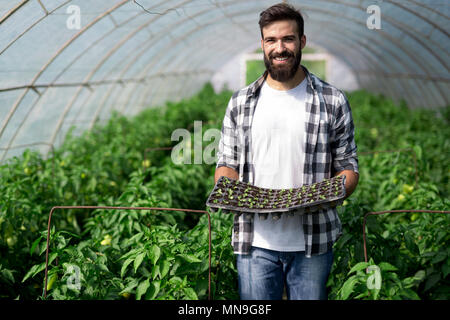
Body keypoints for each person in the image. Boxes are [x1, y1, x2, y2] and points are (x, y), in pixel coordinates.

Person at [214, 3, 359, 300]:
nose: (280, 48)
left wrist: (321, 195)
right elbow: (226, 163)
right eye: (271, 40)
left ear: (301, 42)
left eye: (288, 39)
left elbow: (348, 167)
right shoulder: (241, 102)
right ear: (263, 45)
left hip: (313, 244)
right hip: (255, 243)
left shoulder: (333, 100)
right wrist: (227, 189)